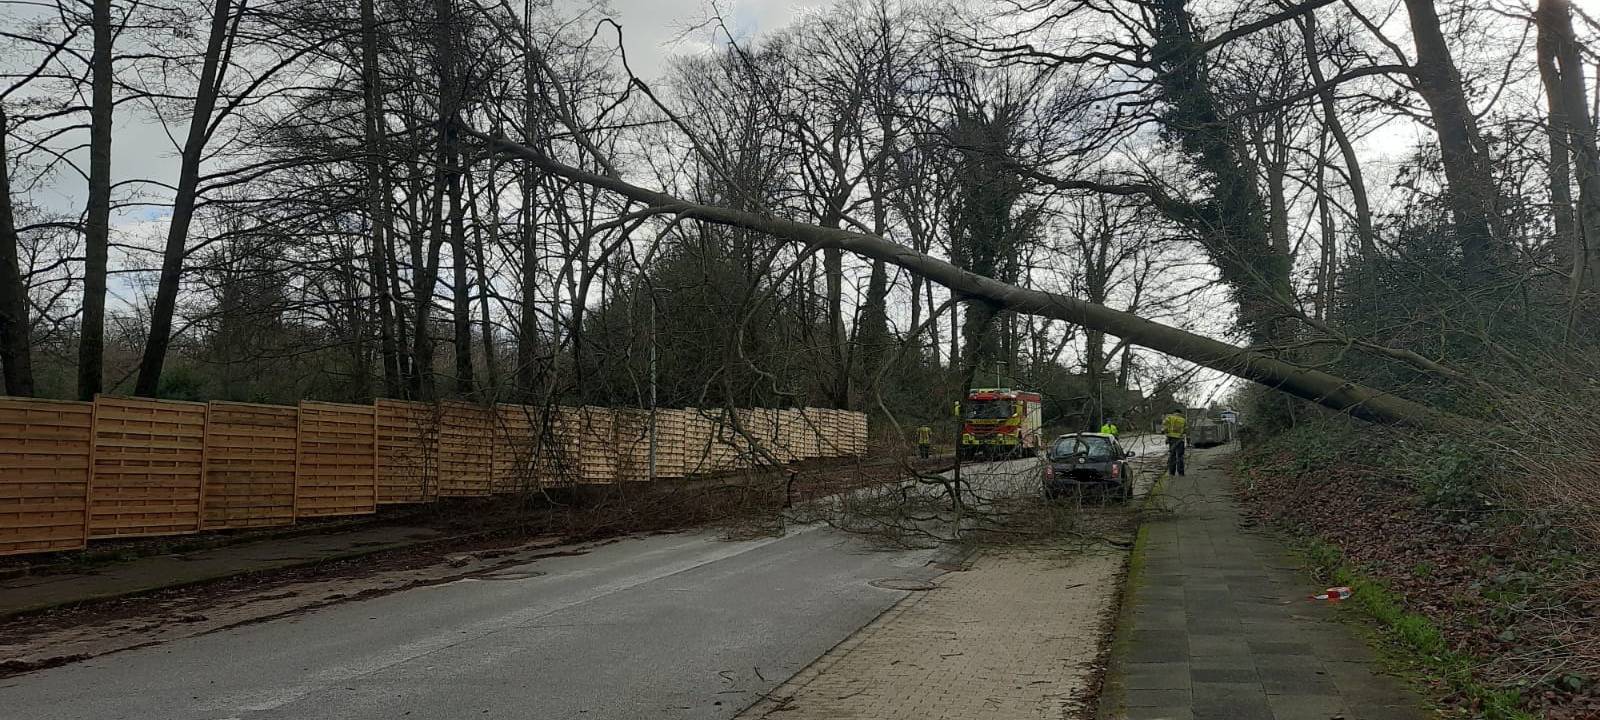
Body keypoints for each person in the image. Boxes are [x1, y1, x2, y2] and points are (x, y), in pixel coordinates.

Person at [1162, 408, 1187, 477]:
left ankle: (1172, 473)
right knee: (1180, 456)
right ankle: (1181, 473)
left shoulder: (1170, 418)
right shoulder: (1183, 420)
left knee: (1172, 456)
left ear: (1174, 412)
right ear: (1180, 413)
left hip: (1172, 439)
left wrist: (1166, 434)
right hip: (1180, 440)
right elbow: (1185, 430)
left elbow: (1164, 425)